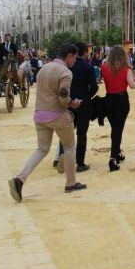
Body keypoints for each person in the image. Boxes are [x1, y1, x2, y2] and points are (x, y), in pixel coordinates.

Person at [8, 43, 86, 202]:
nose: (75, 61)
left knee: (42, 149)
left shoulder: (43, 68)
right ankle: (71, 182)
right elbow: (63, 99)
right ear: (69, 56)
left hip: (39, 114)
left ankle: (19, 179)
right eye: (75, 58)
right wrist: (73, 103)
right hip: (57, 115)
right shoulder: (65, 72)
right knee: (70, 146)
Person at [55, 42, 98, 172]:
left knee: (65, 133)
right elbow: (94, 87)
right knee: (81, 134)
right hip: (84, 104)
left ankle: (61, 158)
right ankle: (80, 163)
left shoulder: (65, 67)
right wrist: (86, 97)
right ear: (84, 52)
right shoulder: (88, 67)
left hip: (67, 104)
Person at [101, 45, 135, 172]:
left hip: (108, 100)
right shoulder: (125, 69)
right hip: (121, 100)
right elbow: (132, 86)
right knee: (118, 129)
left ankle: (117, 153)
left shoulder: (104, 68)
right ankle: (113, 157)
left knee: (115, 128)